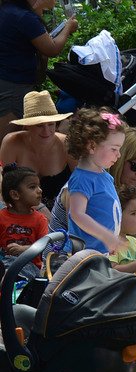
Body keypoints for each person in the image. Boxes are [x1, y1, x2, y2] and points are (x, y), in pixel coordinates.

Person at [0, 0, 75, 137]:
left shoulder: (7, 9)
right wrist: (68, 28)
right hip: (15, 85)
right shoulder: (24, 17)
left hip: (7, 79)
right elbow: (52, 49)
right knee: (8, 137)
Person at [64, 109, 125, 256]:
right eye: (114, 149)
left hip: (100, 252)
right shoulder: (82, 178)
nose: (119, 154)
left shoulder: (103, 174)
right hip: (83, 254)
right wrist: (106, 236)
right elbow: (77, 214)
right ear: (92, 146)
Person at [0, 92, 71, 207]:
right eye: (39, 125)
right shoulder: (11, 143)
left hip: (62, 211)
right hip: (21, 209)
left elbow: (82, 184)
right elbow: (8, 188)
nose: (46, 131)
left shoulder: (67, 145)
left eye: (51, 124)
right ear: (27, 125)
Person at [0, 163, 49, 262]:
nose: (40, 190)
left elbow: (44, 247)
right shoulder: (1, 217)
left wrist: (23, 249)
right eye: (32, 187)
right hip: (5, 265)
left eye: (39, 186)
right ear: (15, 195)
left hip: (30, 268)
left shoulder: (40, 219)